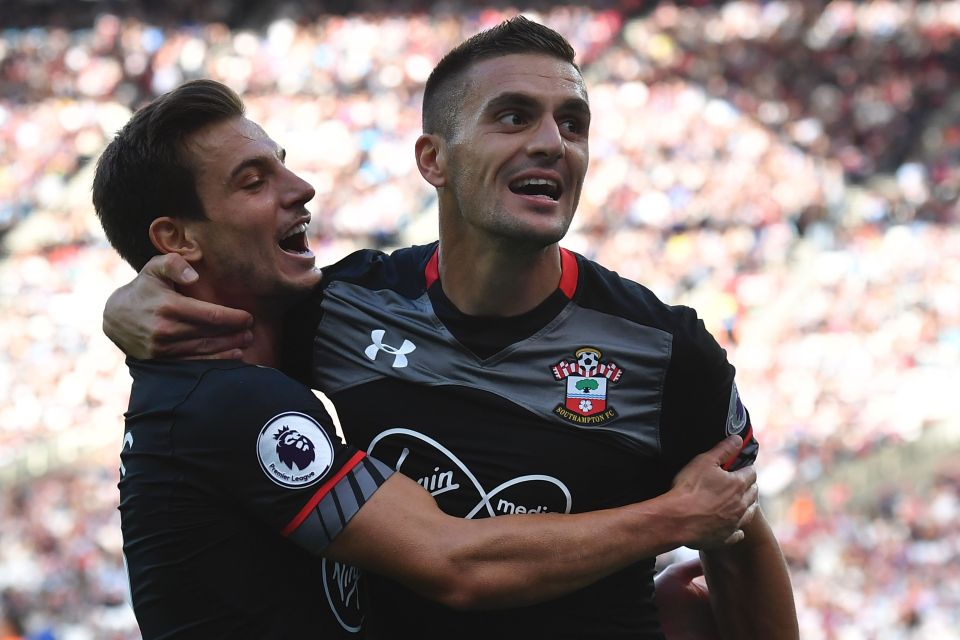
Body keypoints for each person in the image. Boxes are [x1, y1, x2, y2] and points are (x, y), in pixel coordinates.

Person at [104, 18, 798, 639]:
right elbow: (214, 352)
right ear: (433, 159)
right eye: (515, 117)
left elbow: (735, 534)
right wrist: (127, 308)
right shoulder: (339, 309)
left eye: (573, 123)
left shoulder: (667, 350)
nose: (552, 142)